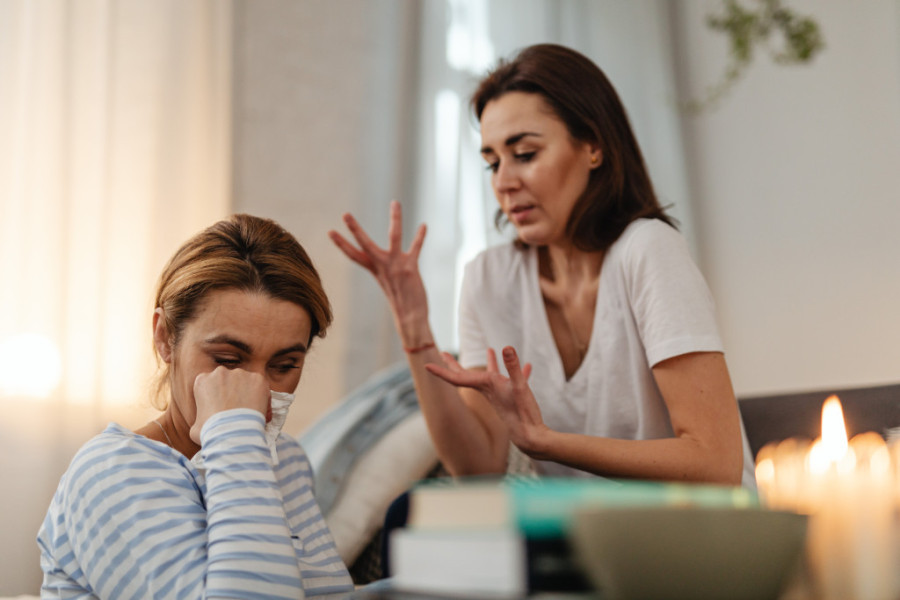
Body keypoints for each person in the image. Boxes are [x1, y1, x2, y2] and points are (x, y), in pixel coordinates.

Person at [330, 43, 756, 489]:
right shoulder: (488, 279)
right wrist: (415, 330)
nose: (504, 182)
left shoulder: (648, 250)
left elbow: (715, 464)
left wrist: (548, 442)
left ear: (593, 146)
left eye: (526, 154)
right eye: (492, 162)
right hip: (588, 537)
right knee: (416, 512)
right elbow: (478, 467)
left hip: (703, 531)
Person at [37, 215, 354, 599]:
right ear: (165, 338)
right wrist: (236, 433)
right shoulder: (111, 471)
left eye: (284, 366)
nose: (255, 387)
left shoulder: (285, 460)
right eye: (227, 359)